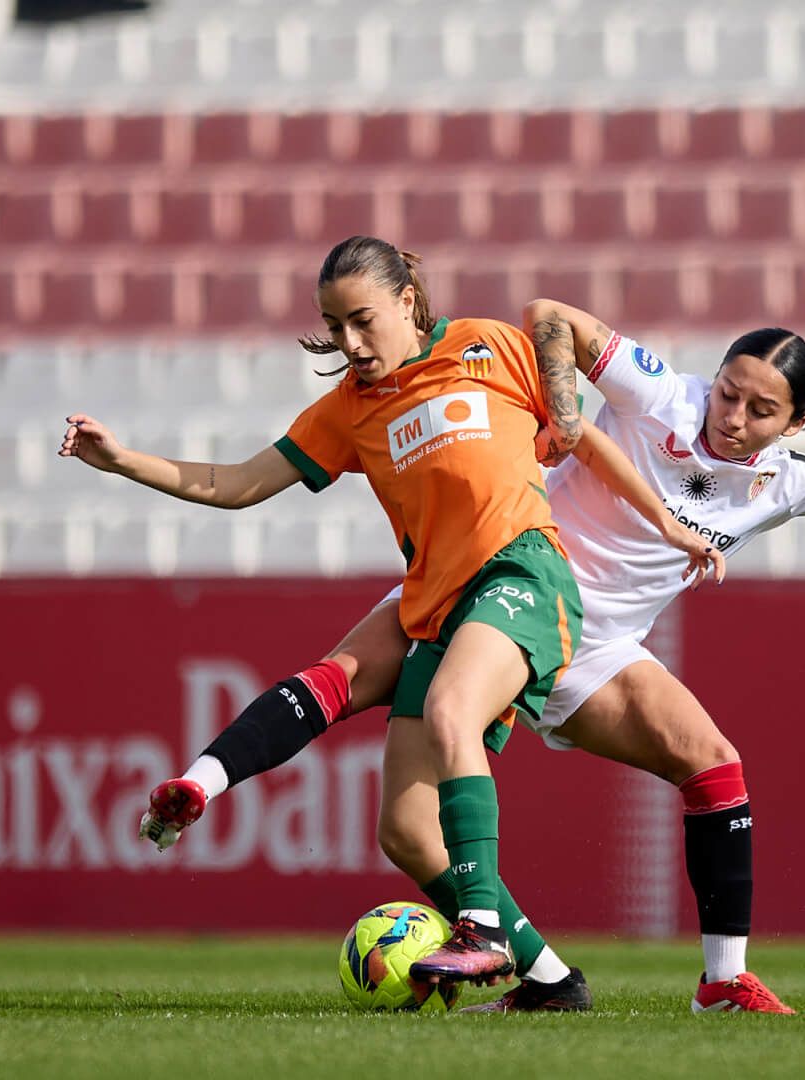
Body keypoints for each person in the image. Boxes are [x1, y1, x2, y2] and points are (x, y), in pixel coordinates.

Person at [132, 297, 805, 1013]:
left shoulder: (785, 484)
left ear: (795, 427)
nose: (731, 418)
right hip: (490, 576)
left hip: (589, 648)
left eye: (760, 411)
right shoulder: (658, 389)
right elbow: (552, 317)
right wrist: (564, 404)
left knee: (713, 765)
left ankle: (723, 983)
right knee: (406, 829)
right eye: (729, 392)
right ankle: (545, 976)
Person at [61, 235, 718, 991]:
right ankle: (549, 981)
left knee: (451, 710)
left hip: (524, 572)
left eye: (362, 320)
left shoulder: (489, 346)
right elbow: (235, 484)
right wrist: (123, 461)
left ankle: (483, 932)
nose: (349, 342)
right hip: (435, 602)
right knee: (405, 831)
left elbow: (588, 443)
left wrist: (668, 525)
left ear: (408, 300)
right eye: (334, 326)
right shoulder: (349, 408)